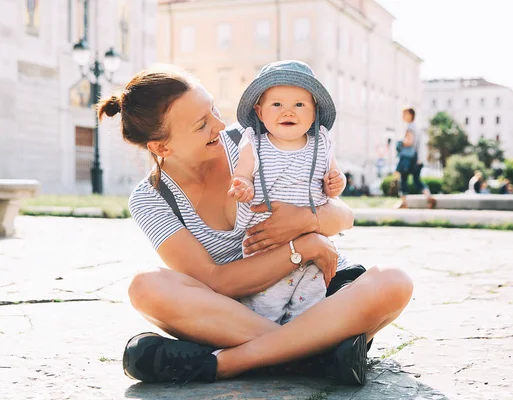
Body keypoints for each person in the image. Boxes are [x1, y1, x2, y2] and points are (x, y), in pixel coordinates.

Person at [96, 65, 413, 386]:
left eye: (213, 110)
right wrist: (300, 248)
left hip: (321, 295)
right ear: (162, 147)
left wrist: (307, 220)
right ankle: (318, 354)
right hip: (238, 315)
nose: (220, 125)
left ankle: (226, 362)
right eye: (202, 124)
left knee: (394, 281)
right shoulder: (152, 198)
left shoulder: (252, 140)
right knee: (145, 288)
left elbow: (344, 217)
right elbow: (215, 281)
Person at [228, 60, 349, 325]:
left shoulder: (323, 143)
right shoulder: (255, 143)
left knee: (310, 304)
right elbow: (242, 174)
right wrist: (243, 187)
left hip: (314, 246)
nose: (288, 112)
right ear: (260, 112)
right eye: (277, 104)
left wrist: (335, 183)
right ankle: (266, 342)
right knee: (265, 305)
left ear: (314, 111)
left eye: (299, 104)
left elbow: (335, 178)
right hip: (268, 246)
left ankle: (301, 344)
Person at [394, 108, 436, 209]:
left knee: (403, 178)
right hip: (416, 158)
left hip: (408, 158)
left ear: (410, 115)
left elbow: (409, 142)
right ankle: (429, 197)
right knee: (416, 180)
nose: (402, 116)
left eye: (404, 114)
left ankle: (404, 203)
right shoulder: (417, 128)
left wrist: (400, 143)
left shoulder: (410, 127)